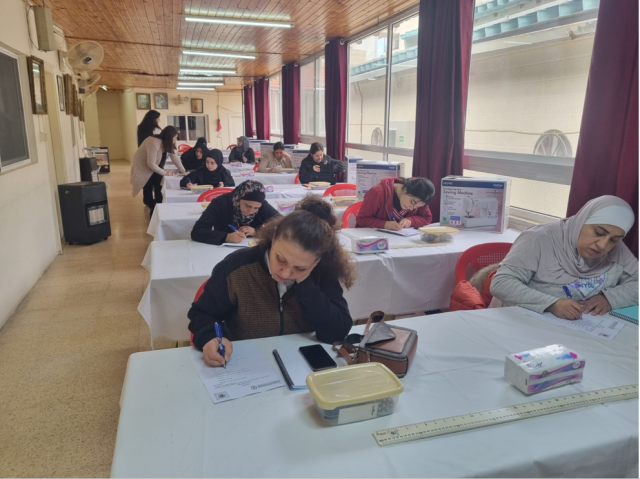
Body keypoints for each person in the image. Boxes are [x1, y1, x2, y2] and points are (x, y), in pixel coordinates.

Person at [188, 195, 357, 366]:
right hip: (245, 363)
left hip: (301, 363)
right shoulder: (236, 266)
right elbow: (203, 314)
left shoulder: (322, 272)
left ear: (317, 260)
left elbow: (337, 331)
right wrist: (211, 337)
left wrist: (306, 284)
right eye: (281, 259)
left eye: (300, 268)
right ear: (274, 237)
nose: (285, 273)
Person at [490, 196, 638, 319]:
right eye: (599, 232)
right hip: (521, 323)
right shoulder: (539, 238)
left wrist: (610, 298)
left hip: (582, 330)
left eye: (614, 239)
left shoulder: (617, 250)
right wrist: (552, 303)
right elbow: (502, 283)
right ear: (582, 221)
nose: (602, 245)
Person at [191, 180, 279, 245]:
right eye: (247, 206)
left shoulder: (262, 205)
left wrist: (257, 232)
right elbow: (197, 231)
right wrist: (226, 237)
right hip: (220, 249)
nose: (251, 211)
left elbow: (283, 223)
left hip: (251, 250)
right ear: (238, 199)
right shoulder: (220, 203)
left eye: (256, 208)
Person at [131, 125, 185, 217]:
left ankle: (158, 207)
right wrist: (166, 172)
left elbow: (174, 157)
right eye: (175, 137)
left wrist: (183, 170)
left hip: (155, 165)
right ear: (169, 137)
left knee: (158, 185)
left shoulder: (167, 143)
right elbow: (150, 164)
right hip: (143, 166)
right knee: (147, 184)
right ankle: (152, 206)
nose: (176, 140)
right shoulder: (153, 143)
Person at [356, 177, 434, 230]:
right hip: (369, 238)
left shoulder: (420, 198)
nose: (411, 208)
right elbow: (361, 219)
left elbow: (426, 218)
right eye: (412, 202)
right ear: (406, 189)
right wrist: (385, 224)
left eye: (416, 207)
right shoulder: (378, 192)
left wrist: (410, 220)